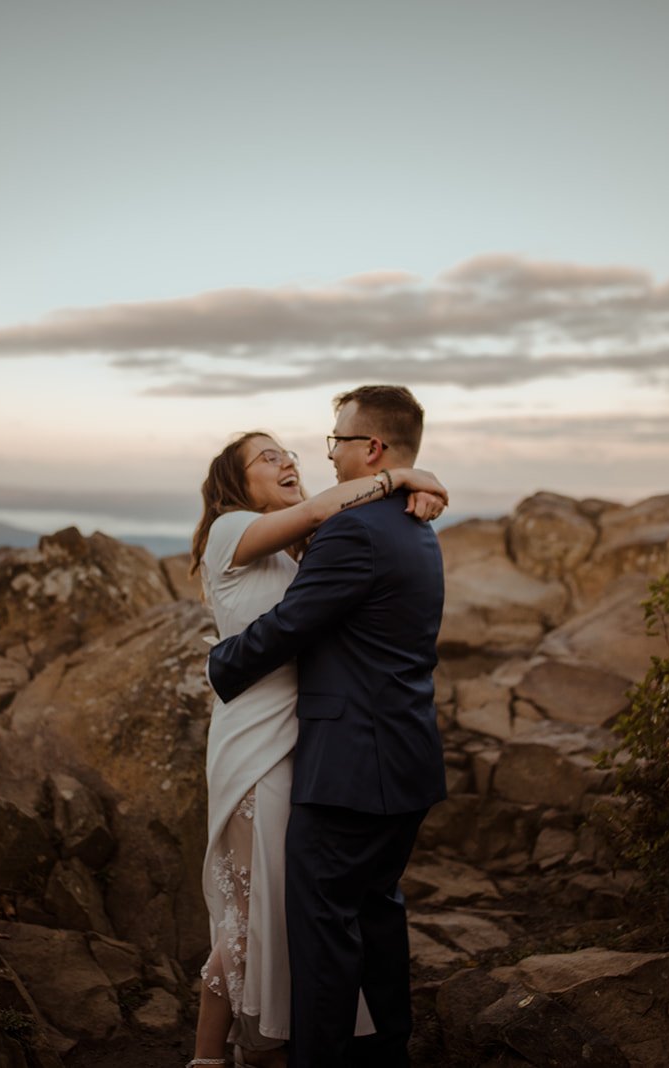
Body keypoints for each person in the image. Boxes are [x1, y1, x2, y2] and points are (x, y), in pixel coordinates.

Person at [188, 423, 448, 1068]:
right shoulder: (231, 532)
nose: (289, 462)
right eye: (267, 457)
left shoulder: (298, 551)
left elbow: (332, 534)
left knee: (279, 912)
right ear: (235, 484)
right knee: (253, 913)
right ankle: (218, 1057)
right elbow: (319, 508)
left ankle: (261, 1047)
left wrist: (425, 487)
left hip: (304, 742)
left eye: (290, 454)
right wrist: (404, 476)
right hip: (255, 743)